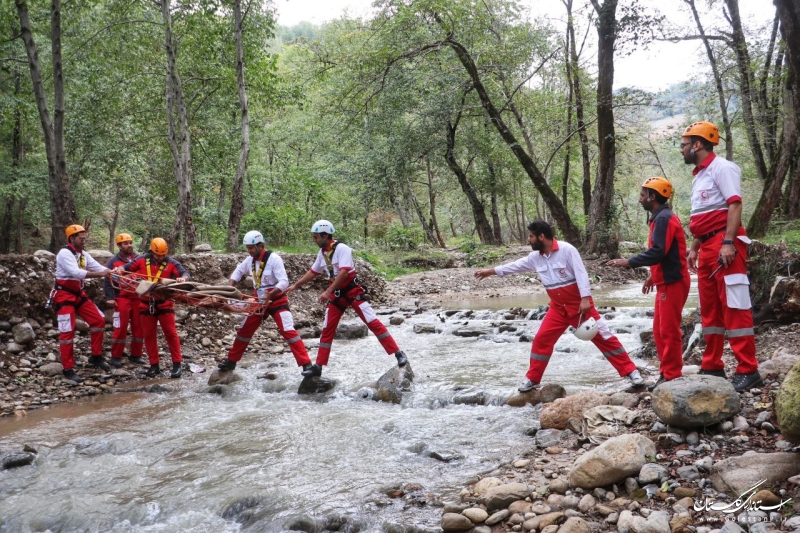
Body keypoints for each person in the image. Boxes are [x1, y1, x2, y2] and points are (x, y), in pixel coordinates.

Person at [474, 220, 643, 391]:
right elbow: (515, 266)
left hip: (579, 306)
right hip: (557, 308)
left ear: (542, 236)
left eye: (531, 236)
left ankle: (631, 372)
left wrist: (585, 298)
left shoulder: (567, 250)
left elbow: (581, 274)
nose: (529, 240)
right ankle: (532, 379)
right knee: (541, 339)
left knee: (604, 338)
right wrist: (491, 271)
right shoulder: (535, 257)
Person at [681, 121, 762, 392]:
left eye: (684, 144)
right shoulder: (699, 175)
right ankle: (712, 364)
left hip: (724, 243)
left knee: (735, 305)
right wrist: (694, 247)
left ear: (698, 144)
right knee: (711, 307)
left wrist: (728, 242)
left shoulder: (722, 168)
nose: (682, 149)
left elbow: (734, 204)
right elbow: (704, 215)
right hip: (706, 246)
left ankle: (748, 369)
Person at [285, 220, 408, 378]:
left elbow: (344, 272)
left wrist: (328, 291)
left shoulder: (342, 249)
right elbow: (313, 271)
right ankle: (318, 366)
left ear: (325, 236)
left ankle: (398, 353)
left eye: (316, 237)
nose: (314, 240)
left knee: (372, 322)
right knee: (327, 328)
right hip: (337, 295)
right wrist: (296, 285)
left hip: (352, 291)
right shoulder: (322, 253)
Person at [607, 177, 690, 390]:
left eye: (643, 195)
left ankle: (672, 375)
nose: (640, 199)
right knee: (659, 329)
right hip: (665, 280)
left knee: (669, 331)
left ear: (653, 196)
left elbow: (658, 251)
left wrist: (629, 262)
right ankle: (667, 372)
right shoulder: (658, 217)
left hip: (674, 282)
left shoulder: (663, 218)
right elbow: (668, 252)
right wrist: (653, 275)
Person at [217, 230, 313, 374]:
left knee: (288, 330)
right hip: (259, 302)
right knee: (244, 330)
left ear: (260, 245)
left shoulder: (274, 259)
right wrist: (229, 287)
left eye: (251, 248)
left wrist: (271, 294)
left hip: (277, 301)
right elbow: (238, 272)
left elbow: (284, 282)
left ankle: (306, 364)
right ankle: (231, 361)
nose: (249, 251)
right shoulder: (249, 260)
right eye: (247, 248)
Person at [120, 238, 188, 379]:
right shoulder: (141, 260)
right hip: (146, 302)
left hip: (164, 302)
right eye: (158, 255)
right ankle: (154, 365)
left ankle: (177, 364)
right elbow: (126, 269)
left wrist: (183, 279)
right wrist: (118, 270)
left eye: (163, 255)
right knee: (149, 335)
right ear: (152, 252)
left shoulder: (171, 262)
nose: (161, 258)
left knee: (171, 333)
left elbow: (185, 273)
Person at [54, 224, 112, 382]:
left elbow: (98, 266)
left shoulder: (83, 254)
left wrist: (111, 272)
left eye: (85, 238)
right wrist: (101, 274)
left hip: (78, 294)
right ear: (71, 238)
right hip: (64, 295)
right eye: (81, 239)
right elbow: (76, 273)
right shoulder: (64, 253)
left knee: (98, 320)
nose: (84, 241)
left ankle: (96, 356)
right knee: (67, 332)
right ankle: (68, 368)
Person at [103, 233, 146, 368]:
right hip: (122, 297)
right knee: (120, 327)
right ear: (119, 246)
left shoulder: (138, 258)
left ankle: (136, 355)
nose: (129, 245)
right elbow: (107, 279)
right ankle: (116, 356)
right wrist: (109, 297)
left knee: (139, 328)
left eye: (130, 242)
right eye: (126, 243)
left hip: (138, 296)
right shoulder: (113, 261)